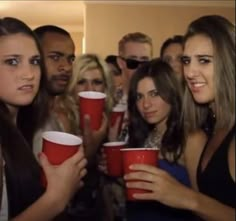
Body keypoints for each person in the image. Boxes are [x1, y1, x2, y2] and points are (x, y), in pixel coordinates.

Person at [124, 15, 235, 221]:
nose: (190, 72)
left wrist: (185, 197)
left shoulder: (199, 137)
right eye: (186, 61)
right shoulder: (211, 124)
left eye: (204, 60)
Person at [0, 17, 87, 221]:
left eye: (35, 61)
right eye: (12, 61)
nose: (29, 74)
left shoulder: (22, 124)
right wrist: (57, 197)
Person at [125, 58, 193, 221]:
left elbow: (203, 204)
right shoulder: (143, 135)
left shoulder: (190, 138)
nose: (145, 104)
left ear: (170, 92)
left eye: (154, 94)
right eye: (139, 96)